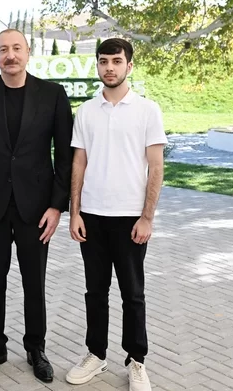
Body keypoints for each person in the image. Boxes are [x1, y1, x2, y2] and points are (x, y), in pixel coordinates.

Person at [0, 29, 73, 383]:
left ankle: (36, 348)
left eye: (16, 48)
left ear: (28, 52)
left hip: (36, 209)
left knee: (34, 282)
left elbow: (65, 156)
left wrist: (56, 207)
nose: (10, 55)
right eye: (3, 49)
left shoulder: (53, 95)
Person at [66, 38, 167, 391]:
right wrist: (74, 212)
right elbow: (79, 164)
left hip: (130, 218)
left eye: (116, 61)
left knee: (132, 294)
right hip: (92, 216)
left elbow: (156, 167)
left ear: (129, 66)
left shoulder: (147, 110)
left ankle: (136, 361)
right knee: (95, 292)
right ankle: (95, 354)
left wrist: (147, 217)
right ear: (97, 65)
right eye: (104, 61)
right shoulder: (85, 112)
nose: (109, 67)